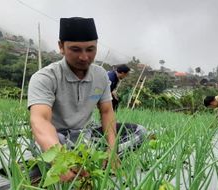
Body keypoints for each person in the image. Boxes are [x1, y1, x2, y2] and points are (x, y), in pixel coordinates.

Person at [27, 17, 146, 182]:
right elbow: (40, 120)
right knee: (55, 146)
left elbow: (106, 112)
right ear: (61, 46)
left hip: (84, 136)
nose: (84, 57)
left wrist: (112, 149)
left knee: (139, 132)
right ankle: (66, 166)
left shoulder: (101, 76)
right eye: (75, 49)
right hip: (56, 138)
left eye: (90, 49)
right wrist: (60, 160)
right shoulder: (45, 77)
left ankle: (101, 160)